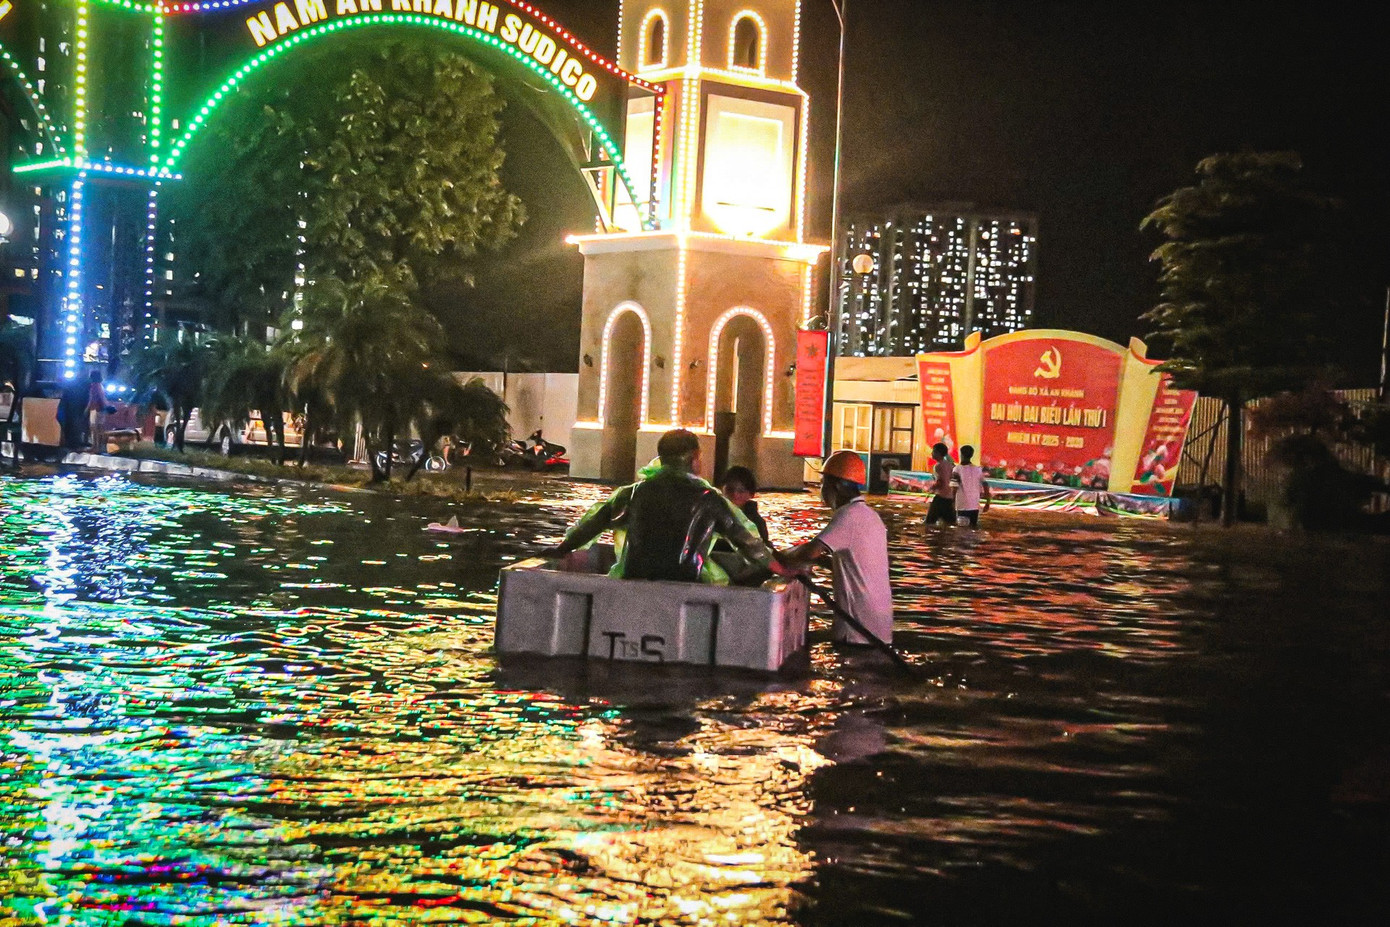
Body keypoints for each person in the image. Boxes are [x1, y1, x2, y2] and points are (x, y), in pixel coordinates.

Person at [547, 429, 787, 585]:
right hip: (687, 581)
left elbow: (591, 526)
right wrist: (783, 569)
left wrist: (560, 550)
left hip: (635, 578)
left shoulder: (634, 493)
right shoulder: (709, 499)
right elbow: (747, 542)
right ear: (694, 458)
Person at [779, 450, 894, 646]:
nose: (822, 490)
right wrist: (819, 561)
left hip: (858, 629)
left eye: (824, 484)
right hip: (878, 625)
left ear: (838, 486)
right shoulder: (871, 516)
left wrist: (780, 556)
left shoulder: (848, 516)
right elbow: (855, 564)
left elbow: (810, 551)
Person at [718, 466, 770, 545]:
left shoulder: (757, 522)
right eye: (730, 489)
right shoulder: (712, 514)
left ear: (750, 494)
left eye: (741, 491)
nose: (735, 495)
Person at [951, 445, 992, 528]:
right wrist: (987, 503)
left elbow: (954, 488)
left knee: (961, 530)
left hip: (962, 506)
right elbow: (985, 485)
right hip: (974, 506)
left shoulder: (957, 469)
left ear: (961, 454)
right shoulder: (977, 469)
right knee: (973, 528)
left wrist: (951, 504)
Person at [924, 442, 956, 526]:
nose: (932, 453)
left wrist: (931, 488)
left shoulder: (938, 466)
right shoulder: (950, 465)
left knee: (929, 523)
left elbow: (940, 482)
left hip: (940, 499)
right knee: (950, 523)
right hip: (949, 498)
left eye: (933, 451)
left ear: (938, 453)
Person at [85, 370, 108, 453]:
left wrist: (87, 409)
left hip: (95, 409)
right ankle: (101, 447)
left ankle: (95, 447)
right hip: (102, 409)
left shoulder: (94, 386)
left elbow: (92, 399)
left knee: (94, 429)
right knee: (100, 429)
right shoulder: (101, 386)